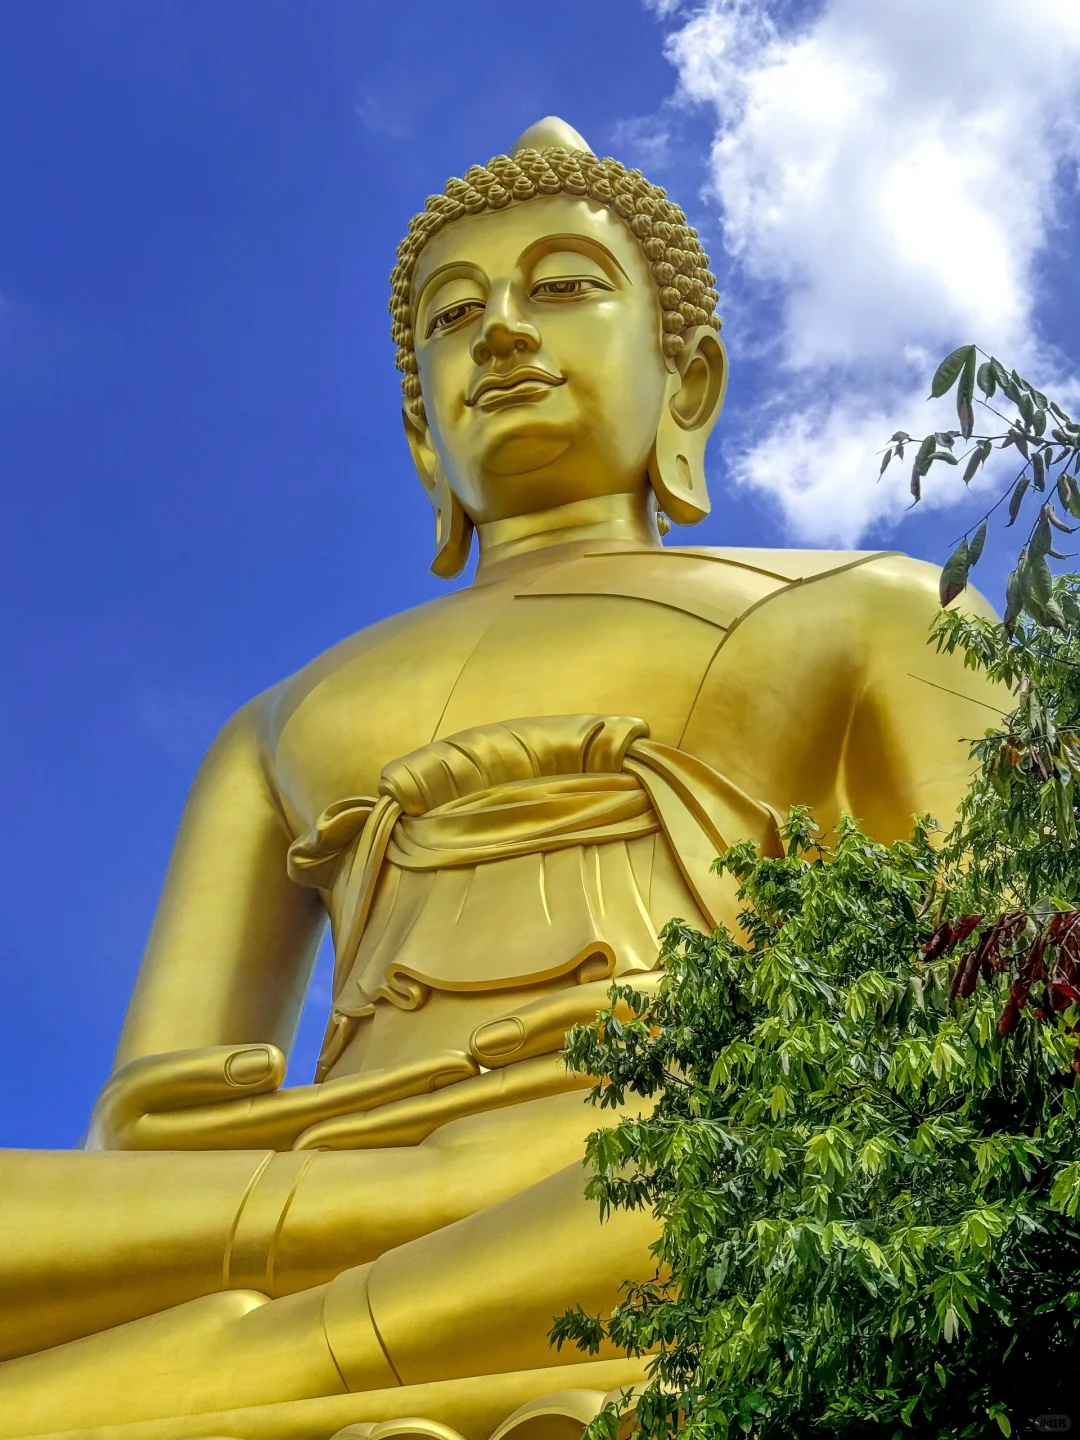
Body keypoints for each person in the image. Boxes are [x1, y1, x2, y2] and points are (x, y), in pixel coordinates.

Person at [0, 118, 1004, 1440]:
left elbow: (1011, 1001)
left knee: (796, 1180)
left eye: (563, 288)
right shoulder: (275, 725)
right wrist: (396, 1175)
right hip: (356, 1171)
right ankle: (383, 1300)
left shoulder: (872, 610)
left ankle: (222, 1378)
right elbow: (136, 1137)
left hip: (684, 1124)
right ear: (425, 440)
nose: (503, 334)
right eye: (453, 316)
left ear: (686, 381)